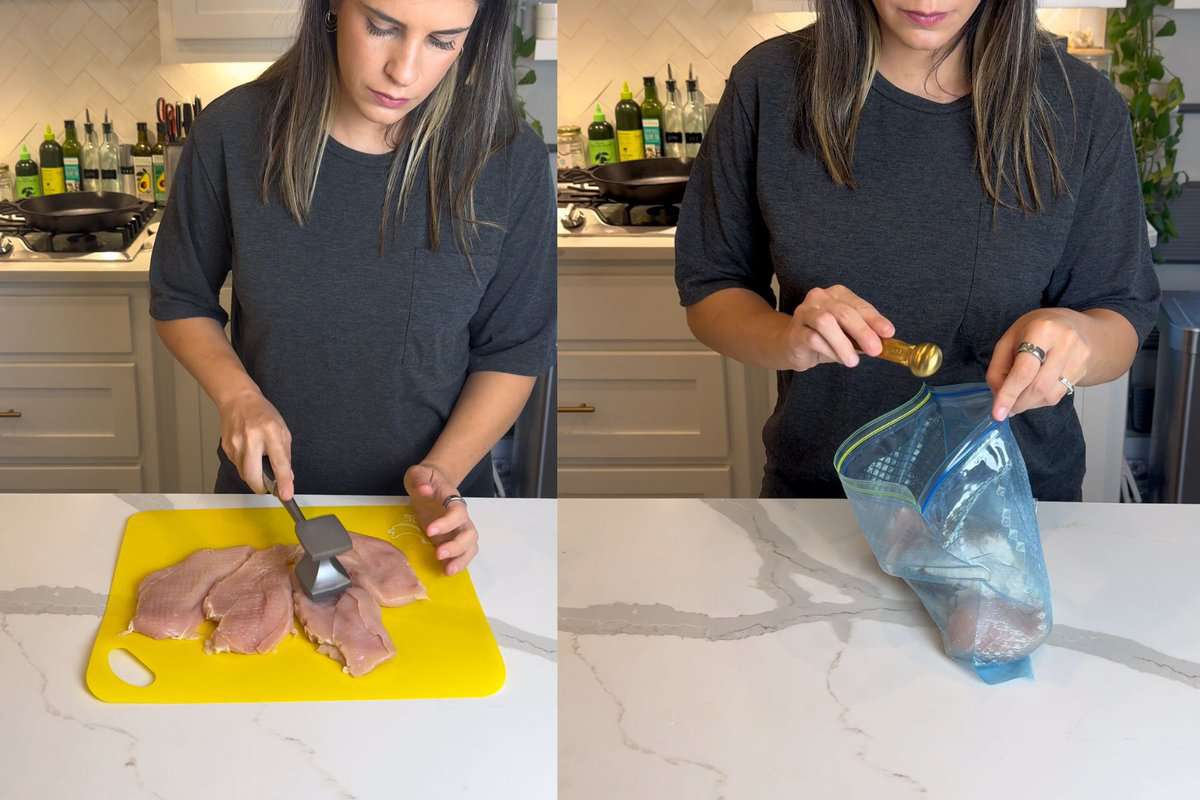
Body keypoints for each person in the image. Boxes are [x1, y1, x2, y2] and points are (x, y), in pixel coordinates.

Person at [675, 0, 1160, 500]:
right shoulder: (768, 82)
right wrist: (788, 340)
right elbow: (713, 288)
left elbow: (1119, 316)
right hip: (824, 497)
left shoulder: (1083, 105)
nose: (928, 2)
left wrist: (1080, 340)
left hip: (1016, 503)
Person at [150, 0, 554, 574]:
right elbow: (180, 297)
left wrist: (439, 475)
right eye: (382, 27)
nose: (404, 71)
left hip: (432, 517)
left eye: (442, 41)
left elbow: (512, 351)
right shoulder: (233, 131)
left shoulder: (509, 159)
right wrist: (237, 397)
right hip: (270, 505)